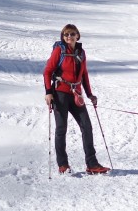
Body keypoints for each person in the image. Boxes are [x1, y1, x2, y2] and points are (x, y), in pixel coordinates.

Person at [43, 24, 110, 175]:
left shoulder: (81, 52)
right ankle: (63, 165)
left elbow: (84, 75)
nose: (69, 36)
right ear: (63, 36)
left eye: (72, 34)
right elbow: (47, 71)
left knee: (87, 126)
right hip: (60, 93)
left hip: (76, 94)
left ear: (77, 36)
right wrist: (48, 92)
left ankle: (92, 164)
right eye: (66, 34)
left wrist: (90, 95)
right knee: (61, 129)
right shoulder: (59, 51)